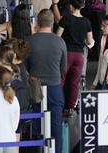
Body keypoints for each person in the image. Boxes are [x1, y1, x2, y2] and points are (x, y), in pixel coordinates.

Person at [26, 10, 67, 153]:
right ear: (53, 22)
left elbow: (25, 66)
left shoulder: (29, 41)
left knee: (37, 125)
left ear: (37, 22)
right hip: (54, 87)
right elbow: (63, 68)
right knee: (56, 127)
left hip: (34, 87)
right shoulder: (60, 41)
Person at [57, 0, 94, 114]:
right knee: (74, 82)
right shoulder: (87, 21)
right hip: (79, 55)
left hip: (67, 53)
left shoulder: (66, 19)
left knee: (61, 79)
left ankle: (59, 104)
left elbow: (58, 37)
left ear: (71, 6)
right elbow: (89, 41)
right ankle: (71, 107)